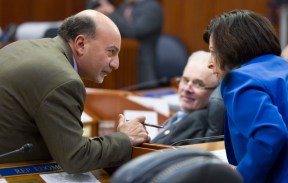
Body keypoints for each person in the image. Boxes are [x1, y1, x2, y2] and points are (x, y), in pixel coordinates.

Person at [0, 10, 150, 173]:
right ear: (80, 44)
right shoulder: (63, 80)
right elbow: (75, 158)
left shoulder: (23, 47)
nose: (116, 64)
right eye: (111, 52)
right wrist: (125, 139)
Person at [204, 9, 288, 182]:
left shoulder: (241, 78)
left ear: (230, 47)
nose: (210, 63)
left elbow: (270, 132)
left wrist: (240, 178)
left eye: (213, 51)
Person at [151, 51, 224, 145]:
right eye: (185, 80)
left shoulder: (194, 123)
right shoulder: (185, 115)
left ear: (215, 92)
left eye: (199, 84)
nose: (186, 89)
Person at [90, 0, 163, 84]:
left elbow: (133, 31)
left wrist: (112, 12)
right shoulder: (124, 6)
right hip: (121, 68)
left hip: (142, 69)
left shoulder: (152, 8)